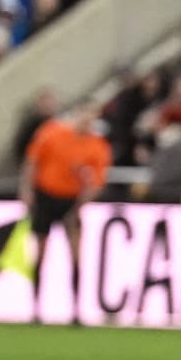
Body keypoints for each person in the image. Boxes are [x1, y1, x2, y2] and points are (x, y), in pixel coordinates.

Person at [18, 99, 110, 324]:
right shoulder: (52, 133)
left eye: (92, 115)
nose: (87, 119)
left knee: (76, 255)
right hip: (46, 197)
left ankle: (76, 311)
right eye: (85, 113)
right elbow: (32, 161)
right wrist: (27, 192)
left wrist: (79, 206)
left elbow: (97, 183)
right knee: (40, 253)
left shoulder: (98, 146)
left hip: (72, 201)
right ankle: (36, 309)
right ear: (76, 114)